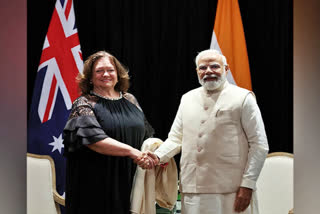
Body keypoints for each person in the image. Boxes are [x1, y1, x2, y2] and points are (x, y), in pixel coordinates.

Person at [147, 49, 269, 214]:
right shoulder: (187, 98)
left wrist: (248, 184)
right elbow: (176, 138)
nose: (209, 71)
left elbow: (259, 145)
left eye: (214, 66)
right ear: (197, 71)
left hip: (231, 189)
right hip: (193, 187)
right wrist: (157, 156)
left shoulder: (243, 98)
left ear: (226, 69)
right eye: (203, 68)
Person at [62, 51, 156, 214]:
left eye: (110, 70)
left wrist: (154, 154)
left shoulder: (130, 100)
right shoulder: (83, 103)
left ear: (118, 74)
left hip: (131, 179)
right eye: (99, 71)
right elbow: (93, 140)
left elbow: (147, 135)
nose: (106, 74)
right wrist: (133, 153)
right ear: (90, 78)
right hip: (96, 184)